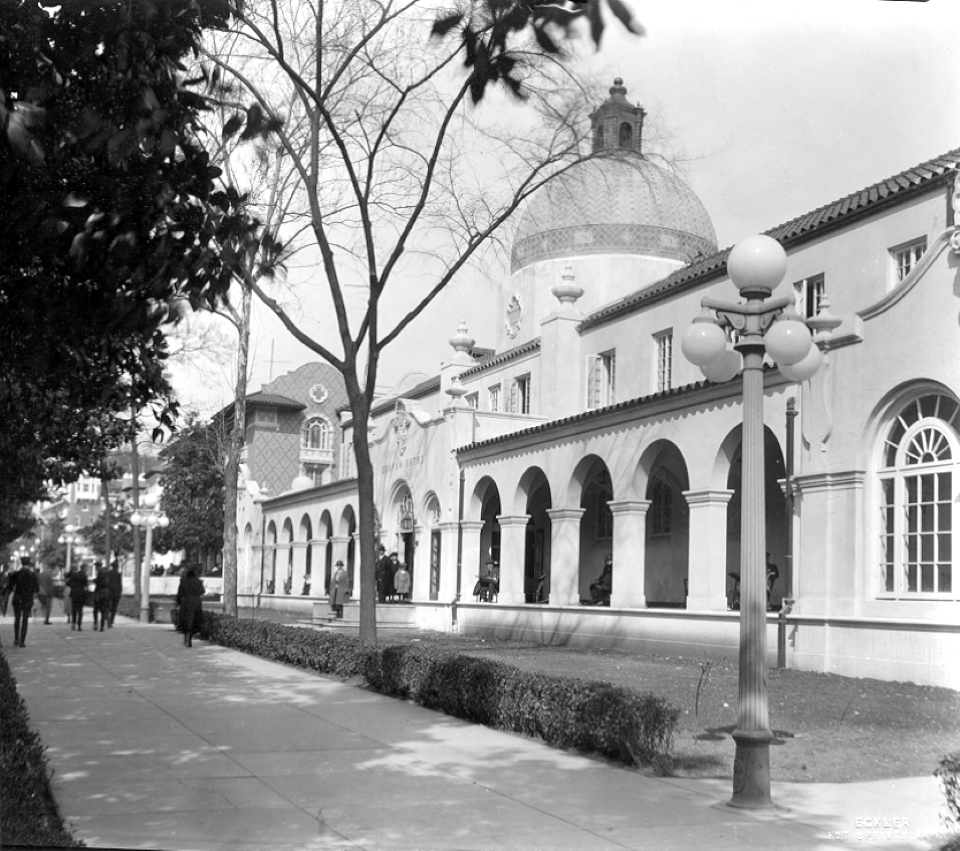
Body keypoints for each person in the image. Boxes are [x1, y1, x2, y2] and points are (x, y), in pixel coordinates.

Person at [9, 558, 40, 647]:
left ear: (21, 563)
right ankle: (22, 641)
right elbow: (37, 589)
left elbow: (10, 587)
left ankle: (16, 639)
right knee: (25, 619)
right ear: (29, 564)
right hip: (27, 599)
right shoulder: (33, 575)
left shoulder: (16, 574)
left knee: (17, 619)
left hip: (18, 598)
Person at [176, 567, 206, 647]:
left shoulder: (183, 581)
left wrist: (178, 601)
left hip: (186, 602)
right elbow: (202, 591)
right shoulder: (198, 582)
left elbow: (180, 592)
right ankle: (190, 637)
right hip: (196, 602)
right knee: (195, 621)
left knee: (186, 620)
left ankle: (187, 637)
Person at [67, 565, 89, 630]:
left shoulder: (74, 575)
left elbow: (68, 583)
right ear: (84, 569)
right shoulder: (84, 576)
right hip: (81, 594)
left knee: (74, 609)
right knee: (80, 610)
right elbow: (86, 585)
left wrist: (73, 586)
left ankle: (73, 623)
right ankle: (79, 625)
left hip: (74, 594)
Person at [92, 564, 111, 632]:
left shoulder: (99, 575)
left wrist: (94, 581)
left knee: (95, 610)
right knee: (103, 611)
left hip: (98, 594)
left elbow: (97, 582)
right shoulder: (108, 577)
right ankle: (102, 626)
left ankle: (95, 623)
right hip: (105, 594)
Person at [106, 560, 123, 627]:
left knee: (108, 606)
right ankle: (111, 621)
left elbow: (106, 582)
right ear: (116, 566)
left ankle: (106, 618)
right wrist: (120, 591)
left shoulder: (108, 573)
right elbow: (120, 583)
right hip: (116, 593)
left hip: (109, 592)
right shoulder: (118, 574)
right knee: (114, 607)